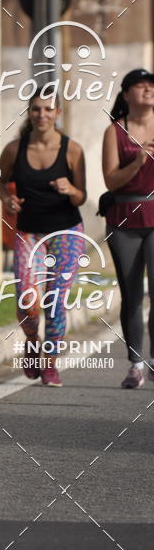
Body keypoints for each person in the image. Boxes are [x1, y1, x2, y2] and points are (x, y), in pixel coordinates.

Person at [0, 89, 86, 387]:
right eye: (36, 109)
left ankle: (50, 363)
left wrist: (70, 190)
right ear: (29, 113)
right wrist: (7, 199)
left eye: (48, 109)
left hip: (67, 230)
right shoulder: (14, 149)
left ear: (58, 113)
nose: (42, 115)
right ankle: (33, 341)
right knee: (28, 301)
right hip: (29, 231)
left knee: (56, 300)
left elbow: (81, 197)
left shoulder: (73, 150)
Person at [102, 68, 154, 389]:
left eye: (151, 86)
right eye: (140, 86)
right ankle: (136, 364)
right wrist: (137, 161)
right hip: (124, 215)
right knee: (132, 293)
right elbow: (110, 180)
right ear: (126, 95)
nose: (148, 91)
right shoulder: (115, 131)